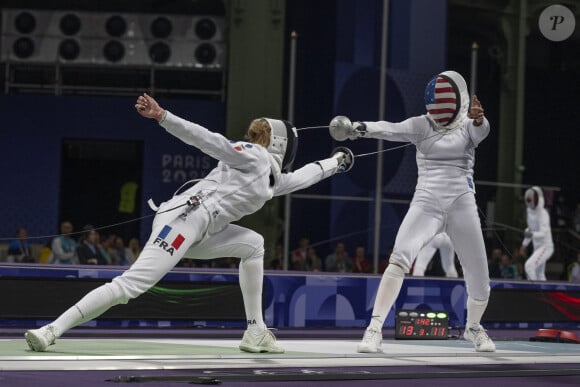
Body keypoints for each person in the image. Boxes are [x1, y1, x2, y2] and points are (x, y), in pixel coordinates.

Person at [25, 92, 354, 354]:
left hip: (203, 229)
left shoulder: (272, 180)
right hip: (185, 217)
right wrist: (163, 117)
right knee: (130, 286)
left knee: (254, 245)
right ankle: (51, 330)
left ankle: (256, 331)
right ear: (282, 145)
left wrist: (337, 162)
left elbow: (304, 177)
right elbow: (210, 140)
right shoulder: (253, 155)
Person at [330, 70, 495, 352]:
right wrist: (358, 128)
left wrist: (479, 119)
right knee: (399, 259)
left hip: (462, 203)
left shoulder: (469, 126)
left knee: (480, 279)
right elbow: (389, 128)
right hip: (427, 201)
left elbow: (483, 131)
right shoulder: (422, 124)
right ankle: (374, 329)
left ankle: (474, 327)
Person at [519, 186, 554, 281]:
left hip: (545, 247)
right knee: (539, 274)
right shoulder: (529, 212)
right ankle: (545, 295)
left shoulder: (543, 214)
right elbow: (530, 230)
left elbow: (543, 233)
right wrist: (524, 245)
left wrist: (531, 234)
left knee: (529, 266)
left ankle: (535, 292)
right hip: (537, 247)